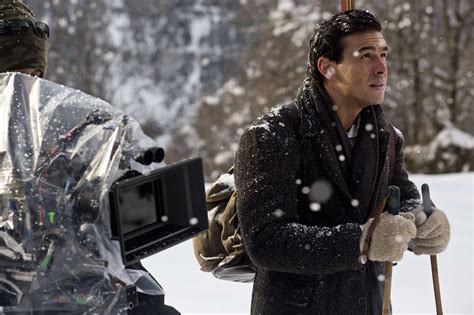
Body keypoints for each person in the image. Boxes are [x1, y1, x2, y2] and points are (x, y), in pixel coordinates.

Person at [234, 9, 450, 314]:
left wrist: (421, 220)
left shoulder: (387, 134)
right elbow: (266, 240)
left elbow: (399, 195)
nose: (381, 68)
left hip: (371, 304)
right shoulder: (272, 135)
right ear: (327, 67)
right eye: (365, 56)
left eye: (383, 54)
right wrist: (361, 242)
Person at [0, 1, 180, 314]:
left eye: (33, 76)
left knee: (152, 308)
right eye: (13, 76)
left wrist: (122, 190)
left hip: (64, 287)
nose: (24, 87)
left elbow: (92, 218)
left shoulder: (58, 133)